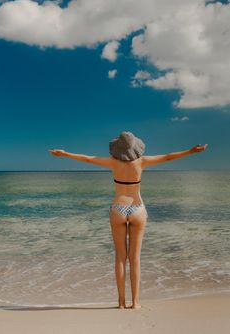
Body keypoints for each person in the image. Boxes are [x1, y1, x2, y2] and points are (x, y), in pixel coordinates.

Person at [48, 131, 208, 310]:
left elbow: (87, 159)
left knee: (120, 258)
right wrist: (190, 151)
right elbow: (168, 157)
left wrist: (65, 154)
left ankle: (121, 303)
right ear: (135, 147)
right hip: (138, 209)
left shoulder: (112, 162)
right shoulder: (142, 161)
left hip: (118, 208)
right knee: (135, 258)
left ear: (118, 149)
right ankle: (136, 302)